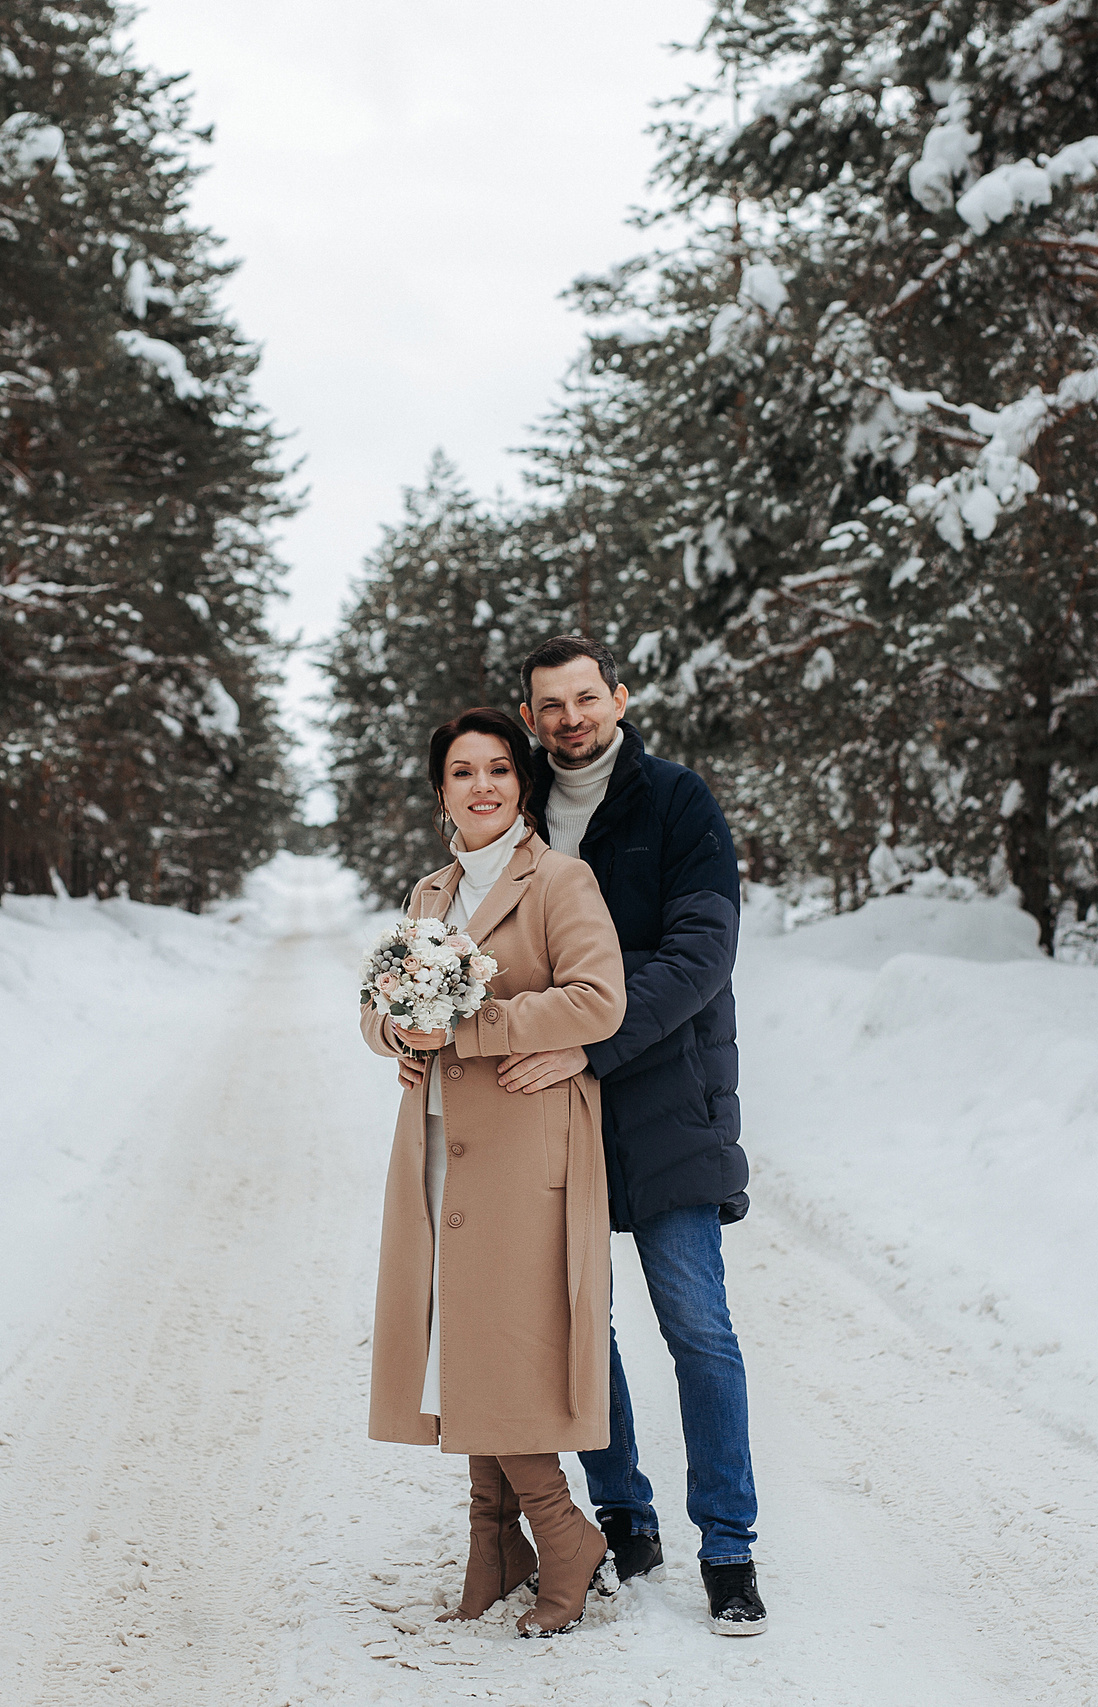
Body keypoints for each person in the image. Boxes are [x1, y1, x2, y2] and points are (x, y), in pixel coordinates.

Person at [497, 634, 767, 1637]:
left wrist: (586, 1038)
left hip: (668, 1098)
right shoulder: (517, 810)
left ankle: (729, 1549)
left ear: (619, 697)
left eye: (585, 698)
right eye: (550, 705)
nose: (570, 718)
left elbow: (702, 953)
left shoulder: (678, 801)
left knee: (698, 1326)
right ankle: (624, 1515)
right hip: (551, 1106)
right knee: (582, 1324)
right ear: (529, 717)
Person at [360, 706, 629, 1637]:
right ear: (442, 792)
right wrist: (398, 1033)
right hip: (438, 1143)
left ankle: (563, 1534)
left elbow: (599, 999)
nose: (483, 786)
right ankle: (495, 1541)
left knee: (506, 1343)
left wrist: (468, 1026)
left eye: (499, 769)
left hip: (525, 1147)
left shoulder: (559, 880)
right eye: (463, 772)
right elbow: (381, 1002)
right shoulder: (428, 892)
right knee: (459, 1339)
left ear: (522, 784)